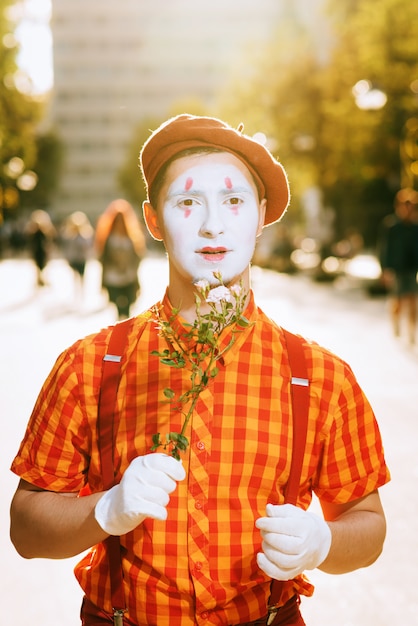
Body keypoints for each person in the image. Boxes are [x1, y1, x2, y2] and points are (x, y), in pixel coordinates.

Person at [10, 114, 390, 626]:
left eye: (233, 201)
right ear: (153, 221)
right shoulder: (90, 365)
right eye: (188, 202)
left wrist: (323, 543)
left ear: (259, 216)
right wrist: (105, 509)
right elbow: (26, 529)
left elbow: (368, 527)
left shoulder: (320, 377)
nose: (213, 224)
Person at [378, 187, 418, 345]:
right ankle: (396, 328)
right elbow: (384, 249)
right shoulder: (391, 226)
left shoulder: (415, 227)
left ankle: (411, 332)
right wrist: (384, 270)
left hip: (411, 269)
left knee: (413, 302)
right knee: (398, 302)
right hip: (397, 270)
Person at [95, 199, 146, 319]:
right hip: (113, 278)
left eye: (121, 220)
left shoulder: (132, 238)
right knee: (118, 308)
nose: (119, 224)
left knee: (127, 308)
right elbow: (103, 259)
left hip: (129, 278)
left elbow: (138, 257)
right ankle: (121, 330)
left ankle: (125, 332)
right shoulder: (108, 239)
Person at [60, 211, 94, 299]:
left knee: (82, 275)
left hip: (81, 258)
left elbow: (87, 246)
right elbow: (68, 248)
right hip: (75, 258)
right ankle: (77, 290)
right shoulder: (70, 235)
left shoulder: (85, 235)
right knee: (75, 275)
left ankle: (82, 290)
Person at [25, 209, 57, 286]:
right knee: (38, 266)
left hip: (43, 250)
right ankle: (39, 279)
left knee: (44, 265)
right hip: (37, 250)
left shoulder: (46, 231)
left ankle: (43, 279)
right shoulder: (34, 231)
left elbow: (51, 239)